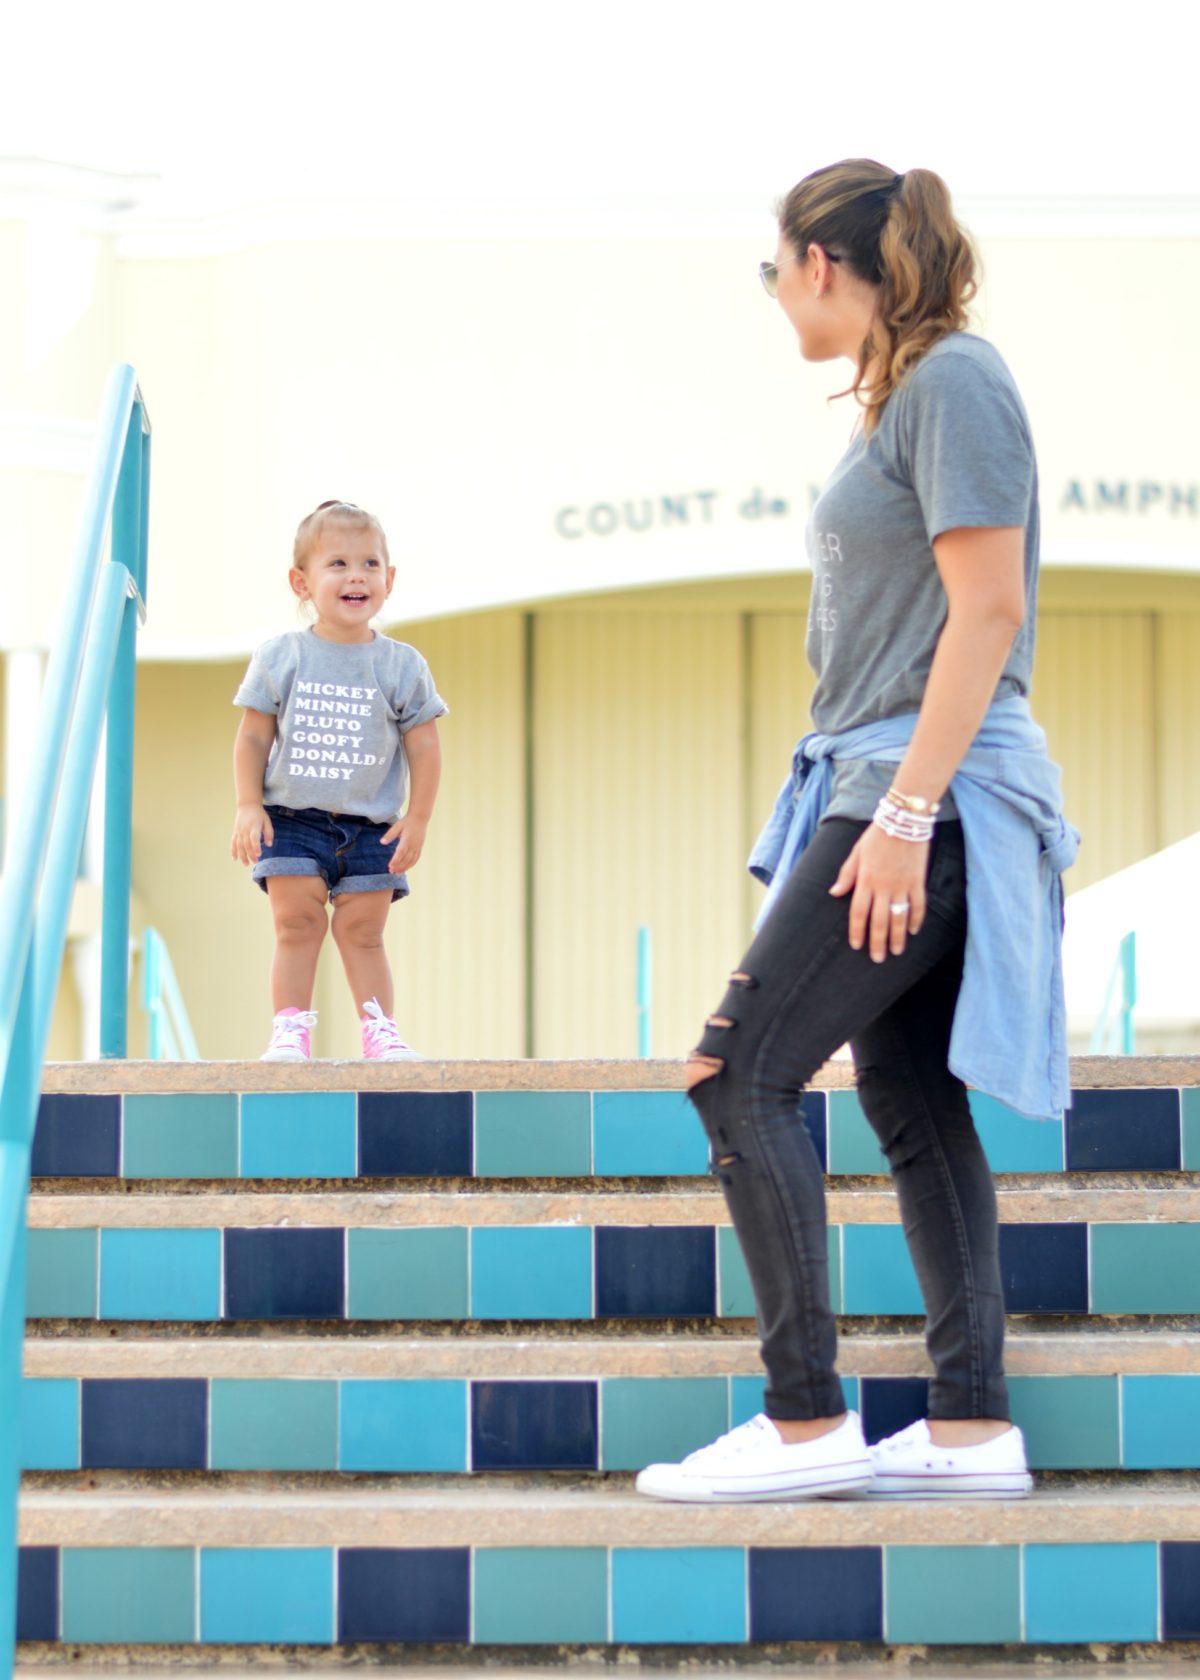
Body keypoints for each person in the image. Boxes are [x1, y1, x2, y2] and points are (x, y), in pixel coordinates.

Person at [635, 160, 1078, 1504]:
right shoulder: (906, 397)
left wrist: (900, 815)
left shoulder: (954, 381)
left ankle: (805, 1421)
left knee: (740, 1074)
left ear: (821, 264)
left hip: (917, 797)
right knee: (906, 1095)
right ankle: (967, 1428)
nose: (776, 297)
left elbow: (987, 613)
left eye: (777, 270)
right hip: (895, 786)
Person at [231, 499, 446, 1062]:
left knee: (364, 932)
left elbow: (423, 744)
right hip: (293, 821)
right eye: (339, 564)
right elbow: (253, 736)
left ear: (389, 579)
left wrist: (418, 817)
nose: (357, 575)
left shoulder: (401, 664)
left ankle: (379, 1031)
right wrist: (248, 805)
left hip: (373, 827)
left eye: (370, 564)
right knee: (297, 923)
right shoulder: (283, 655)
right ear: (301, 582)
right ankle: (289, 1029)